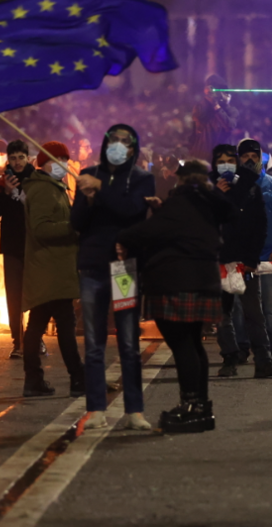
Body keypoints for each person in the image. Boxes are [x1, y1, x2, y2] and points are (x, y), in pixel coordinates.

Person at [118, 160, 234, 433]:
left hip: (175, 282)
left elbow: (145, 232)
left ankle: (190, 406)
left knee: (183, 345)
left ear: (179, 179)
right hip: (204, 281)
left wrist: (121, 233)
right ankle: (201, 406)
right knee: (194, 345)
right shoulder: (208, 204)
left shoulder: (180, 203)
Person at [70, 124, 155, 431]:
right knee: (93, 342)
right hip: (93, 265)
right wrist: (88, 199)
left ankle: (135, 410)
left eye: (125, 142)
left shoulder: (142, 179)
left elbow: (130, 210)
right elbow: (76, 221)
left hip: (124, 267)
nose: (118, 146)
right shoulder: (89, 173)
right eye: (113, 140)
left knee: (129, 341)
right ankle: (95, 408)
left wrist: (101, 190)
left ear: (133, 148)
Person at [210, 144, 272, 379]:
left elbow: (259, 225)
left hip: (245, 264)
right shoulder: (207, 190)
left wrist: (252, 258)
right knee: (222, 314)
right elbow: (205, 223)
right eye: (220, 160)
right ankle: (230, 358)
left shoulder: (250, 188)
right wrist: (218, 197)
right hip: (220, 263)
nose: (225, 164)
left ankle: (263, 360)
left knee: (254, 311)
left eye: (229, 160)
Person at [20, 141, 86, 398]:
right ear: (44, 163)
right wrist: (73, 227)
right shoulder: (44, 191)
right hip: (50, 268)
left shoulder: (53, 187)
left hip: (52, 267)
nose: (63, 164)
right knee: (65, 325)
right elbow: (41, 228)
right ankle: (77, 378)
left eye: (65, 159)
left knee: (37, 325)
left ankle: (34, 380)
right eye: (57, 159)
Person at [233, 139, 272, 365]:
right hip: (241, 258)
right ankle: (242, 349)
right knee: (240, 307)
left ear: (260, 158)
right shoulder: (233, 185)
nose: (250, 159)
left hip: (267, 256)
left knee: (268, 305)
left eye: (254, 156)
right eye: (245, 156)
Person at [0, 140, 32, 357]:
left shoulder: (37, 180)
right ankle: (18, 340)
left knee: (34, 294)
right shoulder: (1, 182)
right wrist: (5, 193)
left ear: (28, 158)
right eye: (13, 158)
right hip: (12, 246)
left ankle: (35, 338)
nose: (17, 162)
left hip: (34, 245)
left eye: (21, 157)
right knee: (14, 295)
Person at [191, 74, 237, 157]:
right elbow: (198, 120)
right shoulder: (201, 107)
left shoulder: (230, 110)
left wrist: (221, 105)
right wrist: (209, 100)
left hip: (223, 157)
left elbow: (229, 126)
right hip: (204, 156)